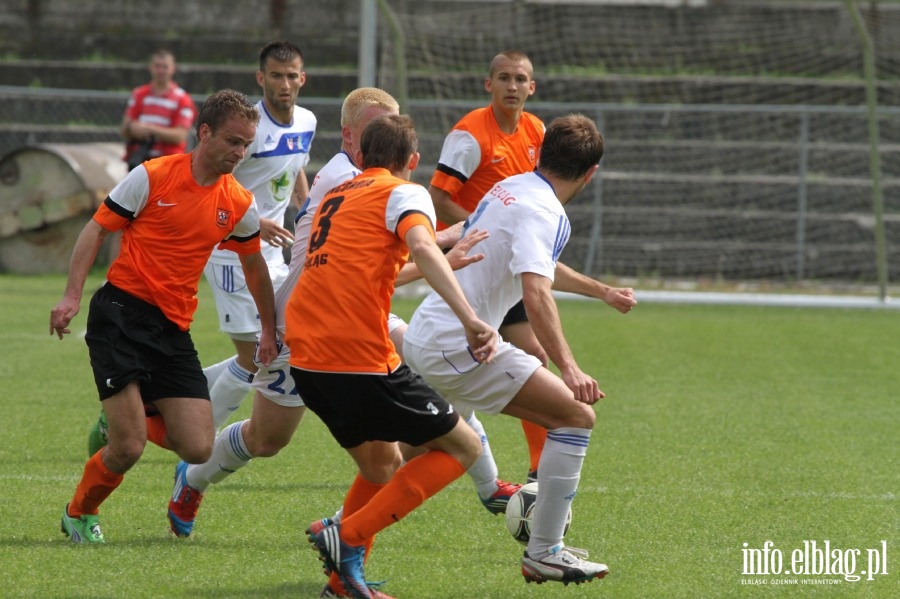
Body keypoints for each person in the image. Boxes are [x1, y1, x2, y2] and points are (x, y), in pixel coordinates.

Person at [166, 88, 486, 599]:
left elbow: (361, 266)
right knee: (268, 439)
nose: (382, 137)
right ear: (352, 136)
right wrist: (450, 268)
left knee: (395, 447)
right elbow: (356, 263)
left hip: (329, 321)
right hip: (318, 329)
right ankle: (205, 482)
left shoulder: (348, 182)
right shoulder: (350, 180)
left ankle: (349, 564)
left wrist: (446, 251)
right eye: (376, 128)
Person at [50, 89, 278, 544]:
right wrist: (72, 296)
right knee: (129, 447)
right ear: (204, 132)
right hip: (119, 313)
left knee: (196, 447)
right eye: (232, 141)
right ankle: (79, 511)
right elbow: (96, 229)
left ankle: (120, 417)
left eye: (246, 145)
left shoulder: (238, 202)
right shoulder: (152, 176)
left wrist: (269, 328)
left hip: (172, 327)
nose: (239, 152)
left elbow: (254, 267)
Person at [287, 114, 497, 598]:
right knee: (462, 447)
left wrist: (442, 260)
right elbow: (421, 243)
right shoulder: (405, 192)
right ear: (413, 161)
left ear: (360, 156)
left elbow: (368, 270)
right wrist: (469, 317)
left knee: (381, 465)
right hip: (356, 356)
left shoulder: (339, 195)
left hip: (307, 360)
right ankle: (346, 535)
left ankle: (342, 582)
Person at [405, 113, 611, 586]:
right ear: (591, 173)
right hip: (458, 343)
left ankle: (345, 528)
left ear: (540, 154)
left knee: (419, 447)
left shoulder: (511, 186)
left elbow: (531, 262)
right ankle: (545, 551)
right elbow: (536, 292)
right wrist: (571, 368)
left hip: (433, 331)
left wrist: (601, 291)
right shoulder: (546, 212)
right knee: (575, 416)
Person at [428, 50, 636, 484]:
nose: (512, 86)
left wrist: (603, 292)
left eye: (520, 79)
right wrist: (485, 226)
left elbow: (541, 264)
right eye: (503, 77)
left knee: (436, 442)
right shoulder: (469, 136)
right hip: (477, 275)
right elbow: (439, 197)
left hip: (478, 291)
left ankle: (348, 526)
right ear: (489, 83)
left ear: (532, 87)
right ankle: (542, 507)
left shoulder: (537, 132)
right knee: (567, 405)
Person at [201, 40, 316, 429]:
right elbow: (215, 181)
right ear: (261, 78)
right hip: (231, 251)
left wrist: (308, 206)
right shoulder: (248, 129)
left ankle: (159, 403)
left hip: (273, 254)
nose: (284, 84)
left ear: (302, 78)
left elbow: (296, 164)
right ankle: (195, 442)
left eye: (291, 76)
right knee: (254, 357)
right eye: (276, 76)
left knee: (277, 346)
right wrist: (255, 221)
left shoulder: (307, 121)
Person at [121, 49, 197, 171]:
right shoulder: (139, 94)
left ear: (173, 68)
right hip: (140, 163)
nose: (161, 70)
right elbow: (124, 129)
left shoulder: (183, 99)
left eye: (165, 67)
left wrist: (149, 130)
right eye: (157, 66)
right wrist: (133, 128)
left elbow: (180, 135)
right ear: (151, 68)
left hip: (168, 166)